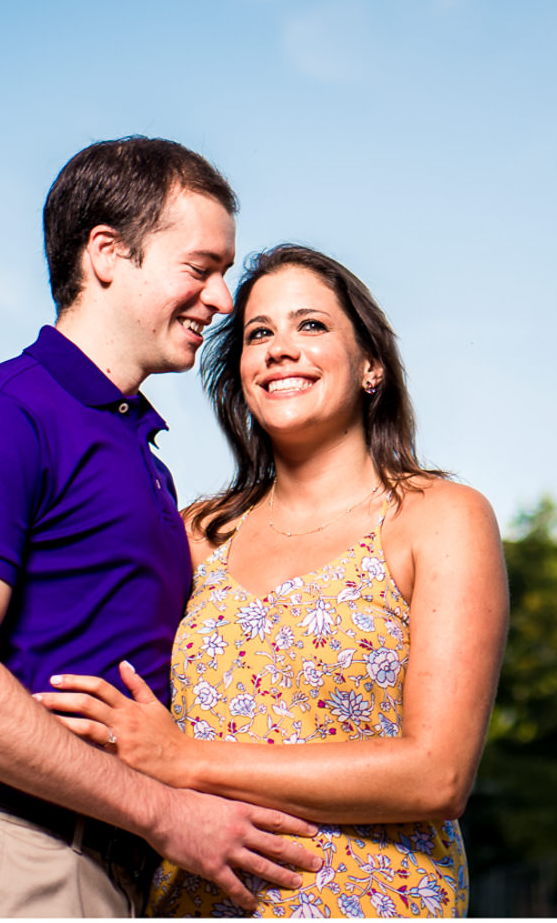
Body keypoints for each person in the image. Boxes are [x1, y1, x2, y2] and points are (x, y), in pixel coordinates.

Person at [0, 137, 324, 916]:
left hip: (89, 869)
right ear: (106, 253)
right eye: (201, 267)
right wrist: (165, 812)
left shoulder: (140, 454)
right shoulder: (3, 416)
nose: (225, 299)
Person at [28, 244, 503, 916]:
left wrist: (185, 758)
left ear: (371, 365)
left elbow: (437, 775)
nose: (281, 348)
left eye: (311, 325)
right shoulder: (195, 532)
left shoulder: (439, 517)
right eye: (259, 332)